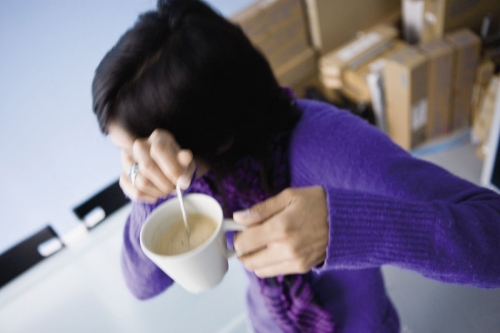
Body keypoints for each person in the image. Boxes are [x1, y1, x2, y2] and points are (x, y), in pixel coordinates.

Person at [91, 0, 500, 332]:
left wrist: (345, 227)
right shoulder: (179, 174)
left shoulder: (331, 145)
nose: (146, 160)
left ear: (217, 139)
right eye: (130, 156)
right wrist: (147, 190)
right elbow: (141, 284)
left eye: (144, 150)